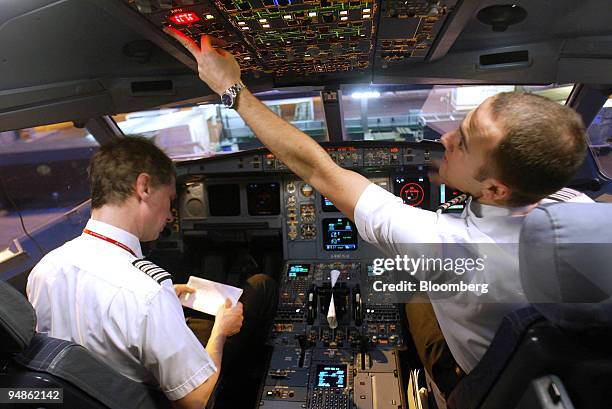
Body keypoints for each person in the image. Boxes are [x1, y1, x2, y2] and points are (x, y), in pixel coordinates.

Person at [164, 29, 593, 398]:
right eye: (460, 126)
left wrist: (232, 89)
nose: (444, 138)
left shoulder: (443, 247)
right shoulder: (581, 211)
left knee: (412, 291)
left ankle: (428, 381)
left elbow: (320, 170)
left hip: (477, 382)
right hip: (550, 378)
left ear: (496, 188)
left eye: (462, 142)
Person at [27, 136, 277, 408]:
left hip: (87, 399)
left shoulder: (45, 269)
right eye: (169, 199)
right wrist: (221, 331)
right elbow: (196, 400)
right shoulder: (146, 291)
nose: (170, 215)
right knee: (260, 287)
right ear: (144, 187)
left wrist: (167, 296)